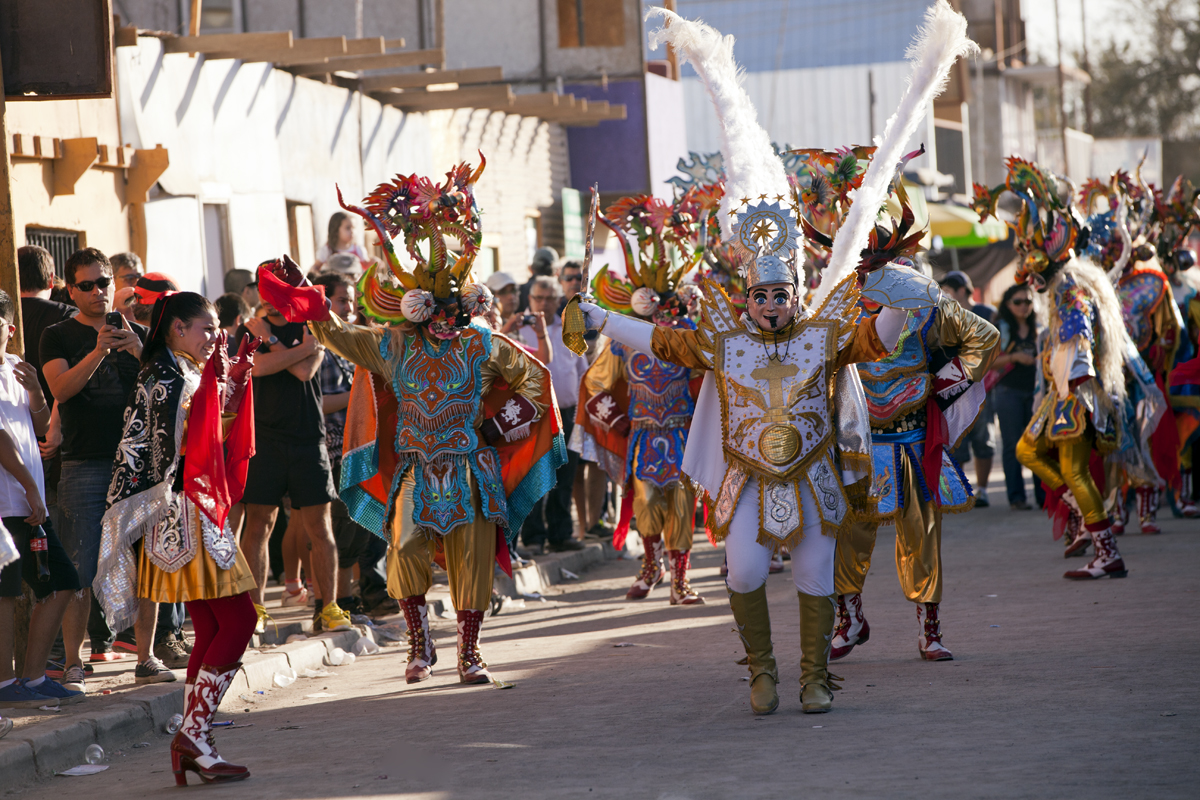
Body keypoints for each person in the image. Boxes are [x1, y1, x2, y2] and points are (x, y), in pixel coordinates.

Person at [574, 3, 968, 713]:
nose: (773, 305)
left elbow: (883, 332)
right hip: (749, 480)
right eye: (762, 296)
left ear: (794, 293)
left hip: (814, 478)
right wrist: (599, 316)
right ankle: (763, 670)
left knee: (818, 574)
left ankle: (816, 675)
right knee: (746, 569)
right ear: (747, 296)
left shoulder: (824, 335)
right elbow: (661, 339)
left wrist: (899, 284)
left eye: (783, 294)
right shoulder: (723, 340)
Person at [271, 155, 565, 685]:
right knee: (404, 549)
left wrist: (497, 430)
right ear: (418, 306)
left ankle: (470, 651)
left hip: (471, 468)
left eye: (455, 303)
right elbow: (342, 337)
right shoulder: (396, 344)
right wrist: (309, 300)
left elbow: (536, 384)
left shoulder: (481, 342)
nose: (447, 316)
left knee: (472, 558)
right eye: (437, 305)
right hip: (414, 468)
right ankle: (419, 642)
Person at [92, 292, 258, 785]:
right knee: (238, 620)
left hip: (187, 508)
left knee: (210, 625)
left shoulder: (175, 372)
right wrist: (222, 390)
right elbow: (182, 444)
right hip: (185, 511)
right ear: (177, 330)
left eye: (214, 328)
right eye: (205, 328)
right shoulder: (167, 377)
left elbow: (203, 432)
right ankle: (195, 733)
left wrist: (232, 384)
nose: (213, 336)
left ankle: (195, 737)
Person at [829, 181, 999, 664]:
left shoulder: (927, 301)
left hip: (910, 440)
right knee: (849, 534)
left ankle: (930, 628)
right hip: (858, 442)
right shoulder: (837, 301)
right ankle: (850, 618)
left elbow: (983, 337)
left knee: (921, 537)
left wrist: (940, 386)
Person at [976, 157, 1130, 580]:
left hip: (1074, 395)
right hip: (1060, 395)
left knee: (1074, 470)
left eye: (1032, 265)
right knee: (1027, 450)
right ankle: (1084, 519)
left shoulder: (1071, 296)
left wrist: (1075, 386)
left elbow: (1080, 341)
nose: (1028, 276)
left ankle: (1106, 550)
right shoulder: (1062, 294)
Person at [41, 248, 175, 692]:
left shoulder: (141, 333)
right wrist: (99, 352)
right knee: (80, 564)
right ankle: (75, 662)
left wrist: (140, 351)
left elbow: (168, 392)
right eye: (88, 286)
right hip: (85, 463)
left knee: (145, 560)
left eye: (104, 284)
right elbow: (61, 387)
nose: (99, 293)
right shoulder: (57, 335)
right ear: (69, 289)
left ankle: (147, 655)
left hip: (139, 463)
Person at [573, 202, 705, 602]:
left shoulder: (689, 337)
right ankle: (652, 566)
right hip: (644, 437)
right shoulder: (625, 339)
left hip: (683, 434)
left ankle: (681, 578)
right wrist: (620, 424)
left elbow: (708, 385)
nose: (662, 312)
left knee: (682, 507)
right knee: (646, 505)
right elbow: (594, 387)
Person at [235, 286, 350, 634]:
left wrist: (271, 339)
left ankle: (327, 608)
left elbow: (305, 372)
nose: (272, 299)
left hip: (307, 439)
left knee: (320, 526)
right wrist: (295, 350)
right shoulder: (248, 329)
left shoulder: (312, 324)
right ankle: (255, 610)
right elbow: (256, 369)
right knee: (259, 525)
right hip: (265, 439)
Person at [0, 289, 85, 709]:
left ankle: (31, 678)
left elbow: (36, 423)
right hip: (8, 502)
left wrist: (36, 390)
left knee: (61, 582)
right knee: (6, 593)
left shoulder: (17, 366)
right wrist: (31, 487)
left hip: (29, 503)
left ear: (10, 329)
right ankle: (7, 684)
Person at [310, 272, 393, 616]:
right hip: (335, 450)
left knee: (368, 529)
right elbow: (319, 402)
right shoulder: (318, 344)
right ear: (325, 302)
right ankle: (338, 603)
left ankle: (363, 596)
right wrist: (358, 397)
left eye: (353, 302)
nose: (350, 308)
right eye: (342, 300)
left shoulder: (354, 343)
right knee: (345, 528)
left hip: (365, 446)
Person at [518, 276, 586, 554]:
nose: (543, 304)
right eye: (538, 298)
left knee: (565, 475)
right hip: (533, 415)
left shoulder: (568, 329)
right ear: (530, 299)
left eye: (549, 298)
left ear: (559, 301)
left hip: (568, 412)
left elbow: (582, 372)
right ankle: (534, 537)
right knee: (534, 476)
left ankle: (560, 534)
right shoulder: (519, 330)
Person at [938, 270, 996, 506]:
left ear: (962, 290)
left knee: (983, 440)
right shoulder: (943, 316)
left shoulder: (986, 313)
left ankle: (982, 489)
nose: (944, 294)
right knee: (956, 439)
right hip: (953, 387)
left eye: (949, 290)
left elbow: (993, 346)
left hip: (982, 386)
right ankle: (959, 490)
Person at [990, 284, 1044, 510]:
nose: (1024, 307)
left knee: (1038, 444)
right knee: (1012, 444)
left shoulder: (1039, 328)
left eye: (1028, 302)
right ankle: (1016, 497)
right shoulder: (1000, 327)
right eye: (1018, 302)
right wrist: (1015, 357)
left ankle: (1044, 497)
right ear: (1007, 304)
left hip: (1037, 393)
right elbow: (987, 362)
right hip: (1008, 391)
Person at [519, 247, 558, 312]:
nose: (544, 303)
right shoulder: (560, 290)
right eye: (539, 298)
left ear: (530, 269)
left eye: (549, 298)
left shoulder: (519, 291)